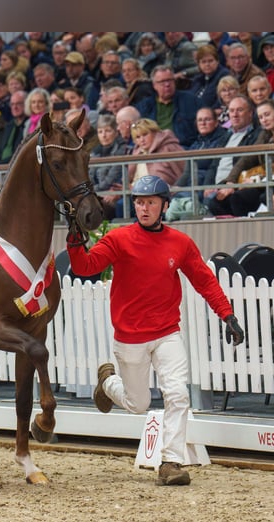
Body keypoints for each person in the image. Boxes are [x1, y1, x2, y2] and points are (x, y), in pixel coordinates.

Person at [66, 174, 244, 487]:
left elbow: (204, 281)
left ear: (164, 205)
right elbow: (85, 267)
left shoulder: (181, 243)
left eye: (150, 202)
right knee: (139, 405)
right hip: (130, 337)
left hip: (167, 332)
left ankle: (171, 462)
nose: (143, 208)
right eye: (138, 202)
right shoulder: (120, 239)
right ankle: (108, 383)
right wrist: (74, 238)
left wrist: (227, 315)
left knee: (177, 394)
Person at [203, 96, 261, 217]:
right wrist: (208, 185)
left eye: (239, 110)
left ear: (250, 113)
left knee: (215, 202)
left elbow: (247, 162)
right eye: (231, 110)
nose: (234, 114)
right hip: (218, 186)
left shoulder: (256, 135)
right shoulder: (226, 136)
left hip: (235, 184)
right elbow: (214, 165)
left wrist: (232, 184)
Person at [136, 65, 200, 147]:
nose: (167, 84)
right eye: (162, 82)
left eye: (170, 80)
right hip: (154, 150)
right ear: (154, 85)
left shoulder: (191, 100)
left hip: (183, 149)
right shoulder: (144, 106)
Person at [90, 114, 127, 219]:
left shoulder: (122, 150)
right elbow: (89, 176)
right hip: (95, 194)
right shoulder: (95, 151)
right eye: (100, 132)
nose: (104, 135)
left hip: (111, 195)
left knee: (95, 208)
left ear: (116, 132)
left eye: (108, 131)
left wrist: (91, 191)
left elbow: (112, 179)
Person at [190, 44, 231, 110]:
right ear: (199, 64)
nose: (207, 64)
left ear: (217, 61)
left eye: (210, 61)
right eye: (203, 62)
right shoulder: (197, 78)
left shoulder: (224, 76)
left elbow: (221, 101)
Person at [0, 90, 28, 165]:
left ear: (27, 104)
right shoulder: (9, 125)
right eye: (12, 104)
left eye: (18, 104)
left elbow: (20, 154)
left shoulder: (29, 125)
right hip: (1, 167)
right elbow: (0, 152)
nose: (15, 107)